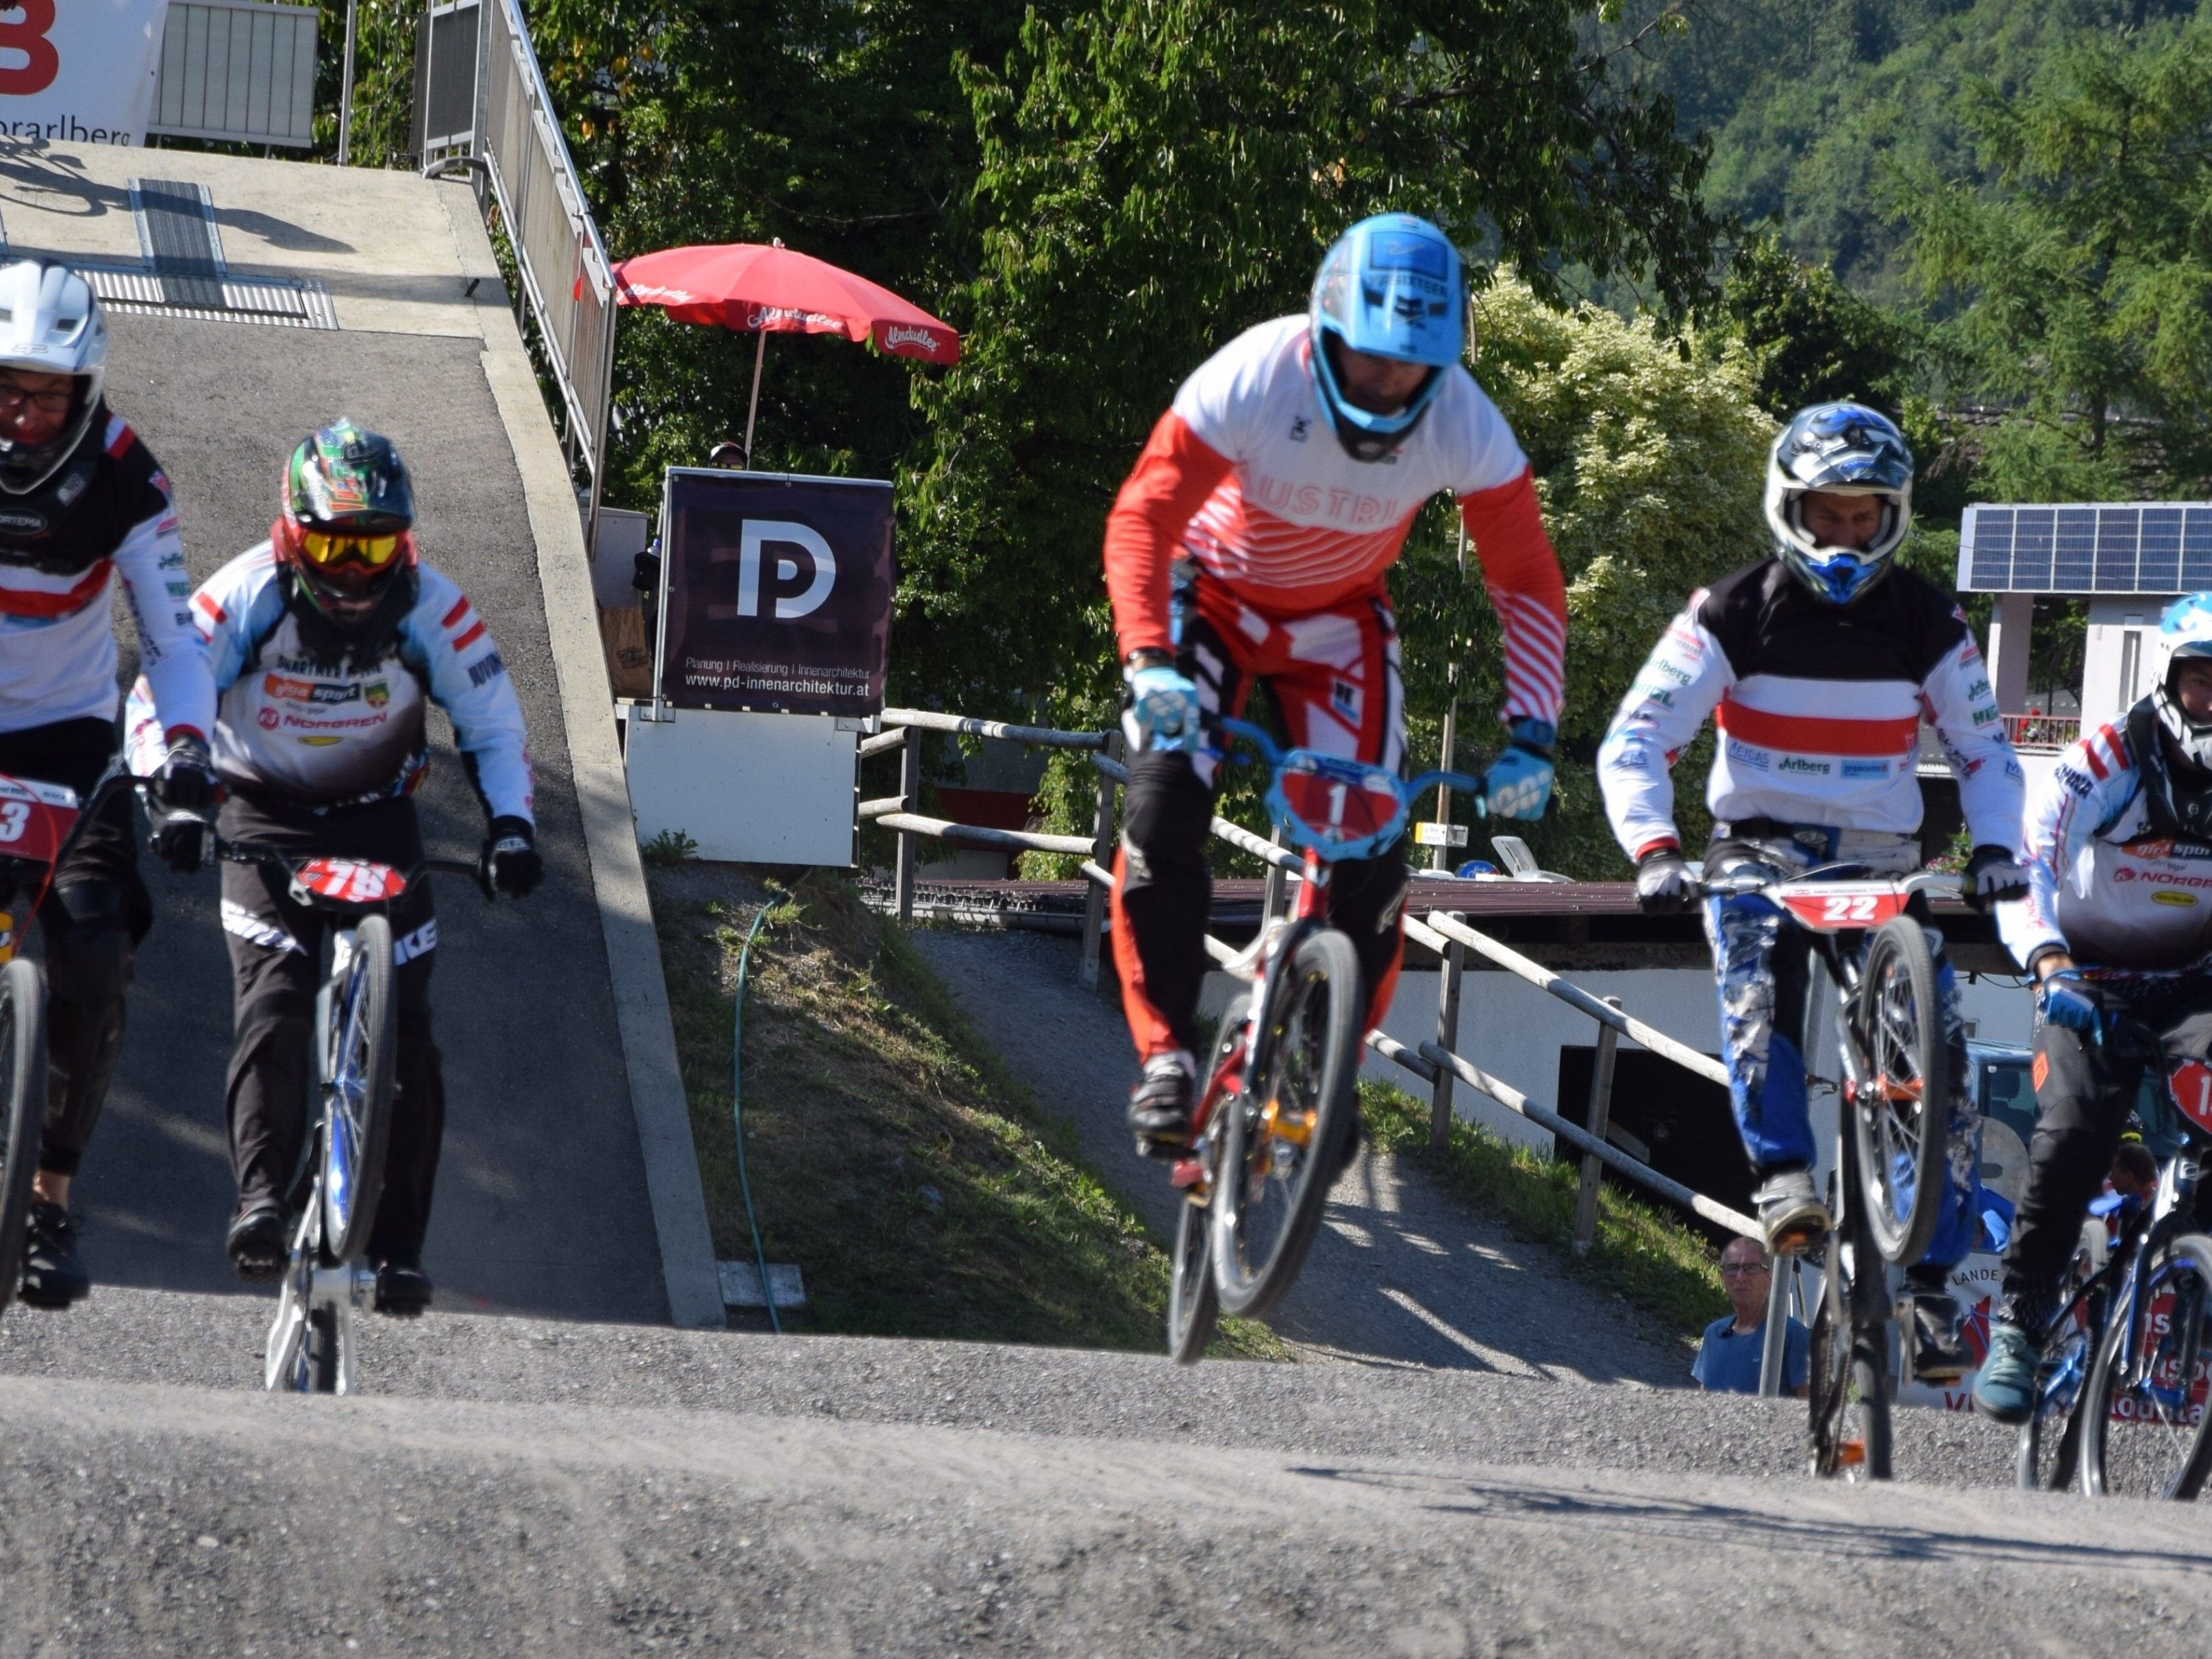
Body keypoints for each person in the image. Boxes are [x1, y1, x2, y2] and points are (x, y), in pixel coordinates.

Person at [1104, 213, 1567, 1153]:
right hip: (1210, 599)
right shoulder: (1257, 372)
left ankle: (1326, 1059)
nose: (1387, 382)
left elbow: (1524, 580)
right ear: (1326, 329)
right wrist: (1148, 657)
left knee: (1372, 854)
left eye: (1410, 365)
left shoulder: (1464, 420)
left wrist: (1533, 730)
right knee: (1162, 811)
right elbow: (1144, 517)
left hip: (1337, 624)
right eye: (1367, 358)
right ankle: (1165, 1056)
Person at [1596, 401, 2028, 1382]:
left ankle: (1925, 1282)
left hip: (1879, 858)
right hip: (1758, 845)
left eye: (1862, 516)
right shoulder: (1730, 610)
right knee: (1751, 982)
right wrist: (1656, 848)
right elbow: (1636, 736)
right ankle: (1784, 1175)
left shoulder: (1927, 617)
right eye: (1825, 514)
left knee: (1943, 1055)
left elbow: (1984, 748)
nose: (1842, 535)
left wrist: (1997, 845)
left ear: (1893, 515)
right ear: (1790, 507)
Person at [130, 420, 540, 1315]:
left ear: (407, 539)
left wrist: (512, 826)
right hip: (261, 817)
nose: (353, 569)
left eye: (375, 544)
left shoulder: (434, 605)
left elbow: (495, 721)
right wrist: (172, 792)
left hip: (381, 823)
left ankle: (395, 1248)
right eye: (330, 543)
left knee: (415, 1042)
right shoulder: (245, 592)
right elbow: (161, 685)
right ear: (289, 530)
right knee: (272, 1003)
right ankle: (261, 1201)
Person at [0, 259, 218, 1307]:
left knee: (93, 948)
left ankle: (47, 1204)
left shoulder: (133, 479)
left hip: (69, 739)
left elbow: (175, 642)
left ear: (87, 390)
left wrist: (184, 756)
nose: (20, 412)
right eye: (2, 385)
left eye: (43, 392)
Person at [1974, 594, 2212, 1422]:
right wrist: (2046, 961)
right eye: (2203, 680)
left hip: (2196, 984)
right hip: (2089, 982)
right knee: (2074, 1134)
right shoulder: (2103, 759)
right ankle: (2020, 1320)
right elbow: (2022, 863)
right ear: (2167, 680)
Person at [1693, 1236, 1809, 1396]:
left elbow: (1808, 1410)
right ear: (1722, 1278)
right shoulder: (1714, 1334)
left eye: (1751, 1267)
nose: (1740, 1277)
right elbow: (1703, 1400)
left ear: (1770, 1277)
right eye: (1733, 1268)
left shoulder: (1791, 1335)